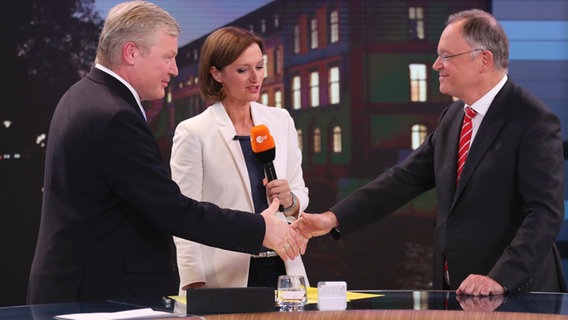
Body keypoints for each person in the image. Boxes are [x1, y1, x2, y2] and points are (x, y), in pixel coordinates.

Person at [27, 1, 303, 304]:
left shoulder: (83, 95)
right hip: (99, 296)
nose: (174, 68)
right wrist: (259, 228)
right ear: (131, 52)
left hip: (79, 288)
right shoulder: (115, 114)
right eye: (168, 57)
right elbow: (172, 209)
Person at [294, 9, 566, 296]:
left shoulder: (533, 119)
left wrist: (499, 278)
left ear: (484, 60)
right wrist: (332, 218)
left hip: (516, 295)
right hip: (457, 293)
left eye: (447, 56)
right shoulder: (453, 117)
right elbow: (401, 180)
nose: (436, 65)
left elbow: (545, 213)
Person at [171, 26, 309, 292]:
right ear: (216, 73)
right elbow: (183, 215)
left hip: (285, 271)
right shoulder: (194, 132)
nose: (256, 78)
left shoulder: (281, 121)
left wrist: (290, 200)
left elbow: (299, 193)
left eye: (260, 66)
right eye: (243, 70)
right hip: (224, 278)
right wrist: (193, 279)